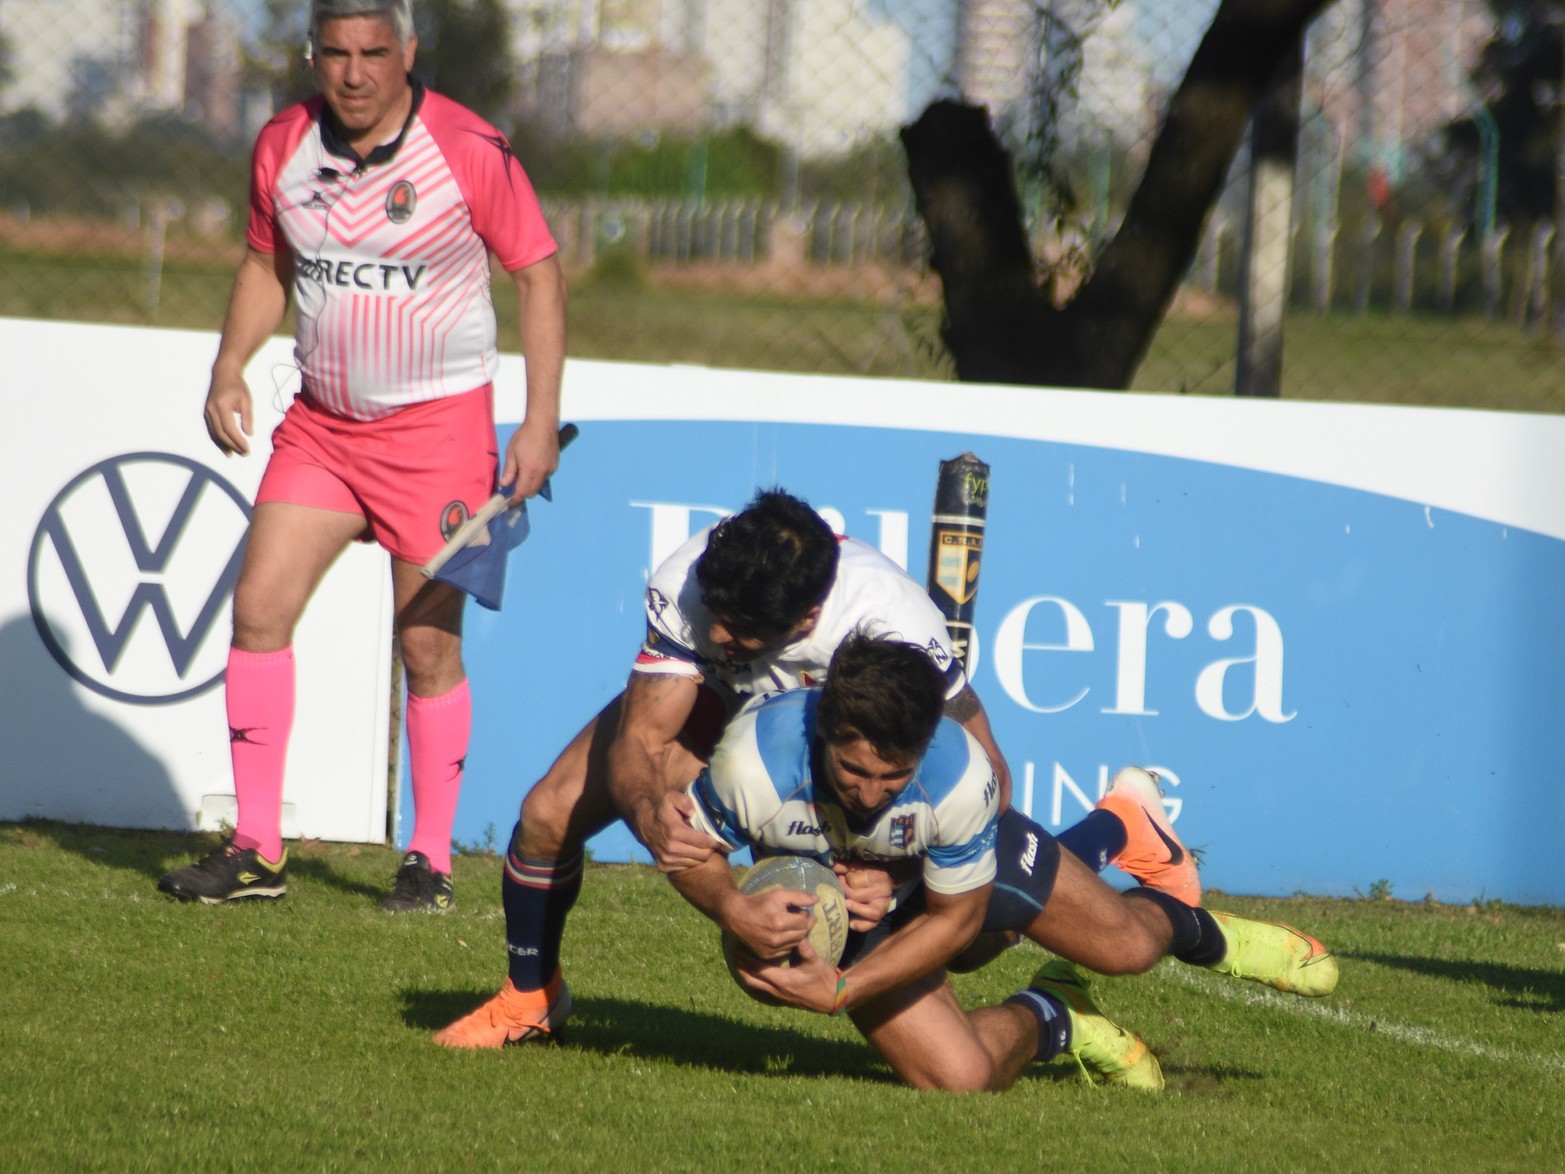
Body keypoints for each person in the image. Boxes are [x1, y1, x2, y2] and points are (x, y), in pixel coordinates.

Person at [433, 489, 1214, 1047]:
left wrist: (901, 877)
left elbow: (989, 775)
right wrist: (650, 815)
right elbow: (641, 736)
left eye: (744, 632)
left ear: (807, 620)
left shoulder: (892, 623)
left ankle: (1116, 829)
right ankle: (529, 997)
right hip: (726, 716)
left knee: (979, 933)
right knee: (545, 813)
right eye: (718, 621)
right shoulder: (693, 582)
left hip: (825, 745)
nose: (723, 636)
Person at [157, 0, 567, 912]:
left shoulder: (468, 147)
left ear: (408, 52)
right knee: (259, 608)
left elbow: (537, 274)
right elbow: (266, 264)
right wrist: (230, 365)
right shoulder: (282, 145)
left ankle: (430, 861)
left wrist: (537, 423)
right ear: (313, 55)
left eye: (373, 53)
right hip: (323, 428)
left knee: (425, 648)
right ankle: (258, 850)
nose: (353, 73)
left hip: (438, 436)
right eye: (335, 53)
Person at [668, 633, 1338, 1092]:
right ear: (822, 734)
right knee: (959, 1081)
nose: (869, 794)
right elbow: (687, 850)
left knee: (1123, 947)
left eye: (892, 777)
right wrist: (732, 906)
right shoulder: (752, 759)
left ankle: (1203, 931)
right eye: (853, 771)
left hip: (939, 881)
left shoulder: (959, 775)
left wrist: (844, 989)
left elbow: (956, 920)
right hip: (851, 914)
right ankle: (1056, 1014)